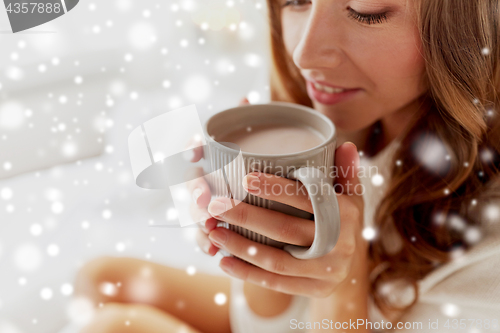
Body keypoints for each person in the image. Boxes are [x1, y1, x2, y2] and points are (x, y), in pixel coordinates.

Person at [73, 0, 500, 332]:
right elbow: (267, 324)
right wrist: (250, 238)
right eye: (295, 1)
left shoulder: (487, 249)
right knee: (100, 280)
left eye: (365, 12)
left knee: (112, 327)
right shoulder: (349, 120)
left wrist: (341, 274)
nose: (304, 54)